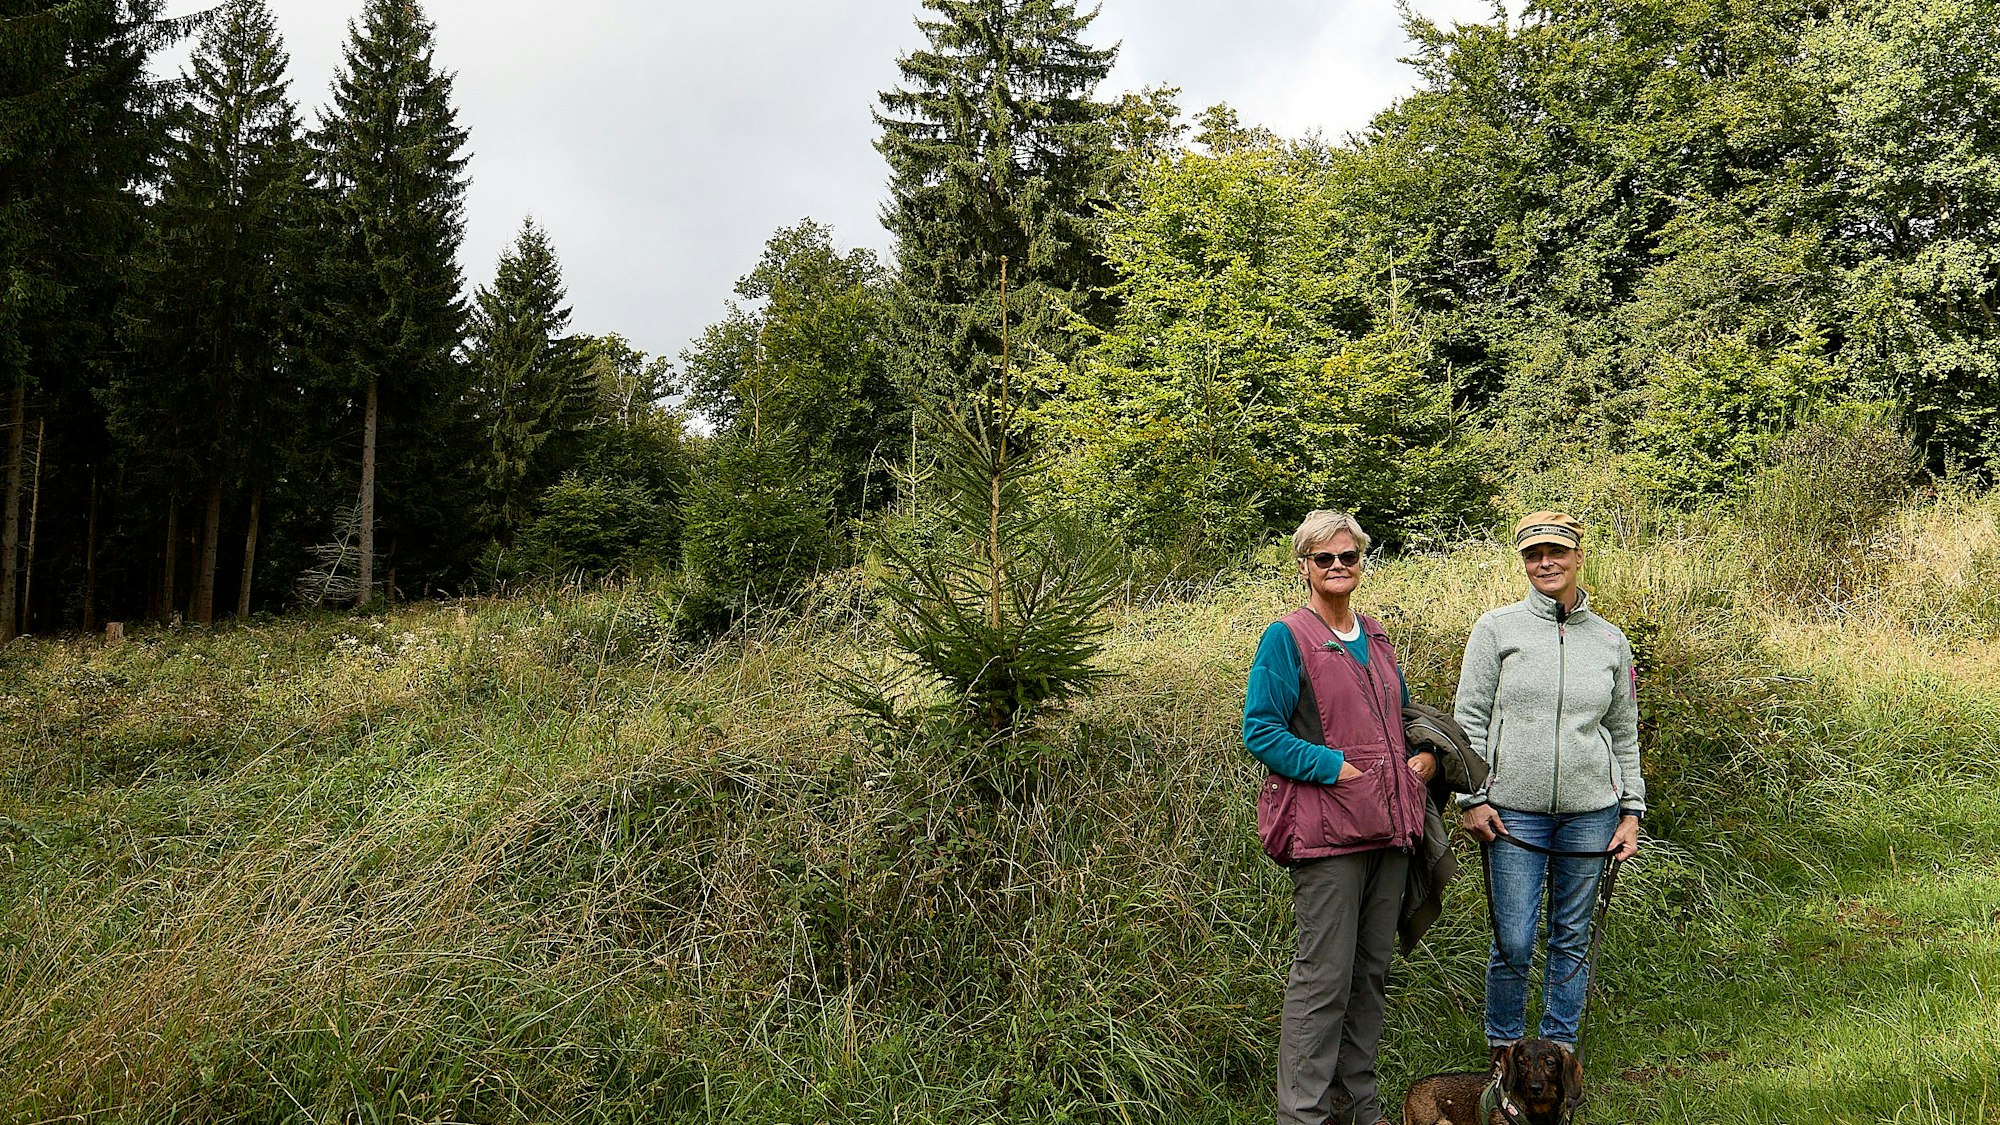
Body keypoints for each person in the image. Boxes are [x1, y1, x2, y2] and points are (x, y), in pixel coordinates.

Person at [1243, 510, 1433, 1125]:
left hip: (1391, 827)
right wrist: (1332, 767)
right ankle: (1304, 1116)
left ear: (1361, 563)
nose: (1337, 567)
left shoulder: (1376, 635)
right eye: (1324, 558)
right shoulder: (1286, 638)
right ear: (1305, 567)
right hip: (1328, 834)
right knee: (1323, 981)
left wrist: (1424, 756)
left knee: (1370, 972)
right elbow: (1261, 731)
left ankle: (1361, 1110)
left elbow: (1400, 716)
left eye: (1347, 557)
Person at [1453, 511, 1645, 1068]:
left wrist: (1630, 810)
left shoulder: (1610, 640)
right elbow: (1469, 719)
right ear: (1523, 561)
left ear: (1578, 556)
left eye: (1556, 552)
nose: (1546, 563)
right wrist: (1473, 797)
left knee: (1571, 935)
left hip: (1592, 811)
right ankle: (1506, 1050)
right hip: (1512, 810)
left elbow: (1623, 730)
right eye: (1534, 554)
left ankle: (1559, 1053)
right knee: (1512, 937)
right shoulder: (1497, 629)